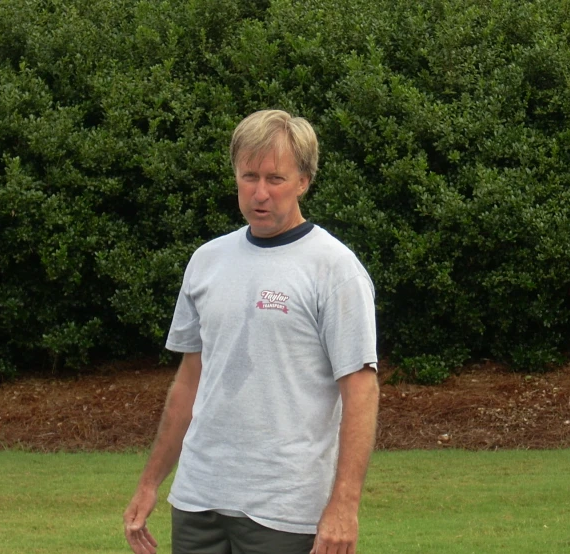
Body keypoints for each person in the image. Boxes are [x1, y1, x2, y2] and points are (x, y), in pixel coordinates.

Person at [123, 109, 379, 554]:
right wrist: (150, 484)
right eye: (249, 176)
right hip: (197, 502)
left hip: (284, 512)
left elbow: (362, 392)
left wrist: (344, 505)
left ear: (304, 180)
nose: (260, 193)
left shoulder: (335, 270)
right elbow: (189, 382)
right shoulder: (207, 261)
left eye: (275, 179)